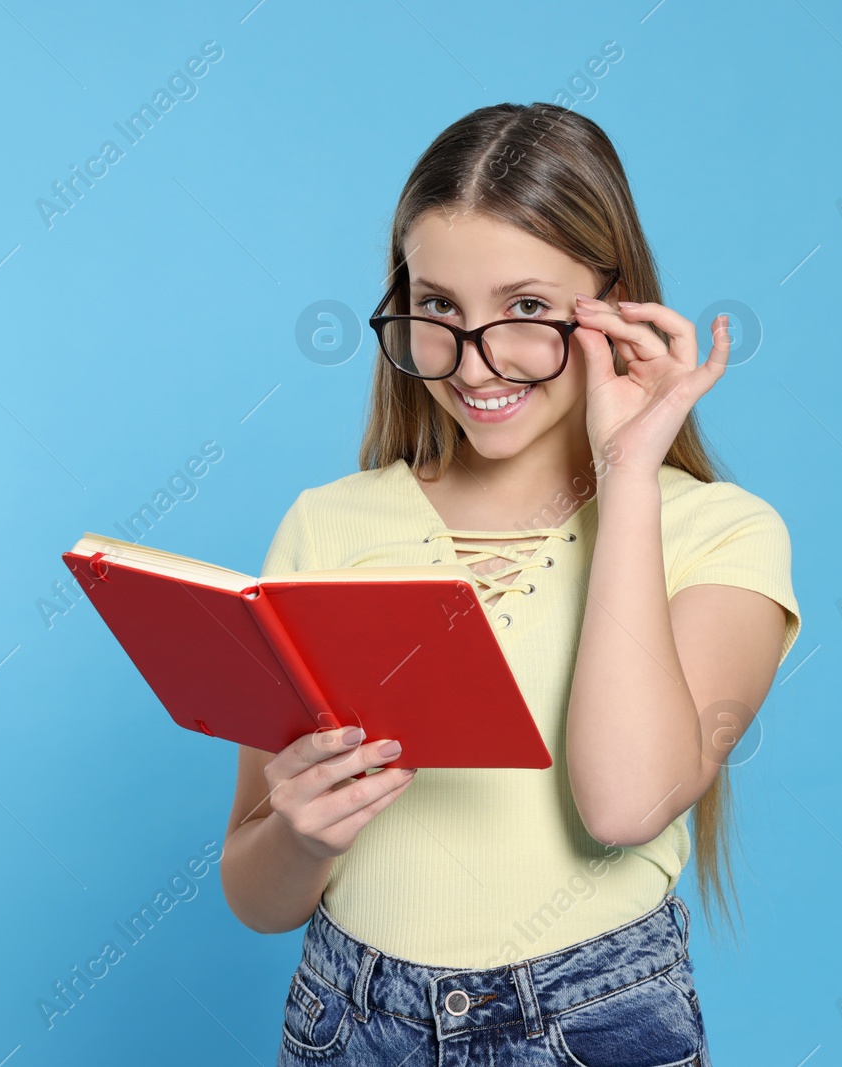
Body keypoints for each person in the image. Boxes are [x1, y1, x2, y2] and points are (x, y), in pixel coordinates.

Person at [220, 101, 801, 1066]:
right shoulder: (328, 525)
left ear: (615, 301)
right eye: (438, 307)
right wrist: (304, 836)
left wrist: (626, 482)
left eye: (527, 310)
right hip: (347, 1018)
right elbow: (254, 894)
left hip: (589, 1021)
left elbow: (624, 806)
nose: (475, 360)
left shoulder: (720, 535)